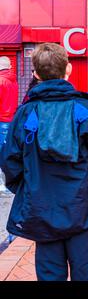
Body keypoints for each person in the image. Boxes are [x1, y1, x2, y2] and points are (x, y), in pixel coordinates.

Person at [0, 43, 88, 281]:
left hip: (42, 205)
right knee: (85, 273)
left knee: (49, 274)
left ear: (35, 74)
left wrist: (30, 187)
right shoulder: (87, 109)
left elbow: (10, 162)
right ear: (69, 70)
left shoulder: (25, 113)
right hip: (83, 205)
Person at [0, 56, 18, 195]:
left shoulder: (0, 81)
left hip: (1, 120)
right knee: (6, 152)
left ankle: (1, 185)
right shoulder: (14, 81)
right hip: (9, 120)